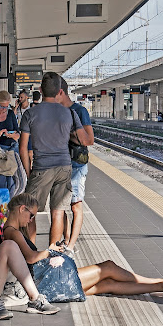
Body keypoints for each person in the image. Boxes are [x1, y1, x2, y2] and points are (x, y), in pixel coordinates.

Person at [2, 194, 163, 297]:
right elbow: (31, 257)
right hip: (45, 283)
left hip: (42, 281)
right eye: (31, 215)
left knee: (108, 284)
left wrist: (50, 252)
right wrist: (51, 250)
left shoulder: (12, 230)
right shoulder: (12, 232)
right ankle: (161, 282)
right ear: (21, 209)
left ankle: (162, 285)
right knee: (107, 267)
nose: (31, 220)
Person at [19, 72, 87, 248]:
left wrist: (29, 172)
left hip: (41, 167)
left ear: (40, 90)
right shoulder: (70, 114)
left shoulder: (30, 114)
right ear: (59, 91)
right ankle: (53, 253)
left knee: (29, 211)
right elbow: (85, 140)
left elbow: (23, 149)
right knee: (58, 212)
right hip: (65, 166)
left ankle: (31, 252)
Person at [59, 77, 95, 257]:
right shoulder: (55, 111)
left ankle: (71, 245)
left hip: (76, 163)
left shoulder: (80, 111)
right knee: (61, 205)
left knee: (75, 205)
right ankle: (65, 240)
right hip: (59, 162)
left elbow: (89, 139)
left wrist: (67, 134)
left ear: (60, 93)